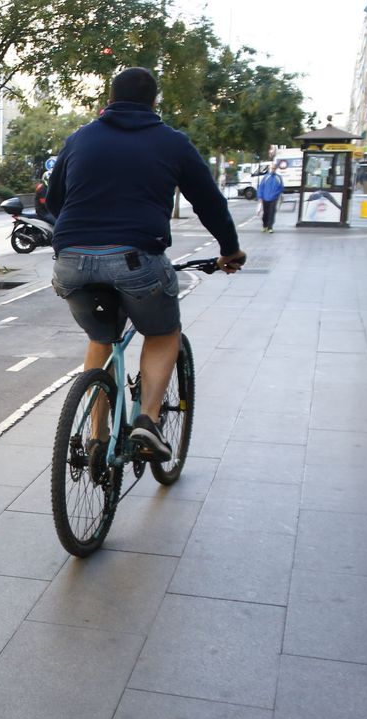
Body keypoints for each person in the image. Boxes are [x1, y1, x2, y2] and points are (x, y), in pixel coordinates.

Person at [47, 67, 244, 459]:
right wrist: (229, 249)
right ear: (155, 102)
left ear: (109, 98)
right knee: (163, 332)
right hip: (136, 259)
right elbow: (209, 202)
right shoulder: (171, 142)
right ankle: (148, 422)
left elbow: (55, 200)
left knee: (102, 337)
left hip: (69, 260)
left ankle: (97, 437)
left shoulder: (81, 137)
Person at [256, 166, 284, 233]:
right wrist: (260, 197)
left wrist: (276, 194)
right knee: (266, 213)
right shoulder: (266, 177)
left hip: (274, 198)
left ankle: (270, 227)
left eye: (274, 168)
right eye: (272, 168)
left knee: (272, 212)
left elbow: (281, 187)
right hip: (265, 197)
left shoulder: (278, 178)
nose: (273, 170)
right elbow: (261, 187)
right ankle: (264, 226)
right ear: (269, 169)